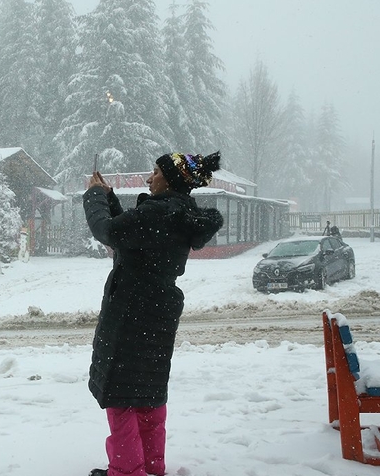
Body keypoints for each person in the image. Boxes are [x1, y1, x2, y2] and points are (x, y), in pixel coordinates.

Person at [82, 152, 224, 476]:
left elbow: (107, 231)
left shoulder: (157, 215)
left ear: (171, 179)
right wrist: (109, 197)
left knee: (121, 398)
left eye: (156, 171)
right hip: (157, 314)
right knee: (147, 396)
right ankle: (150, 466)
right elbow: (130, 239)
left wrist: (93, 195)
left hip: (132, 314)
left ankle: (128, 471)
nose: (149, 178)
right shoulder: (177, 215)